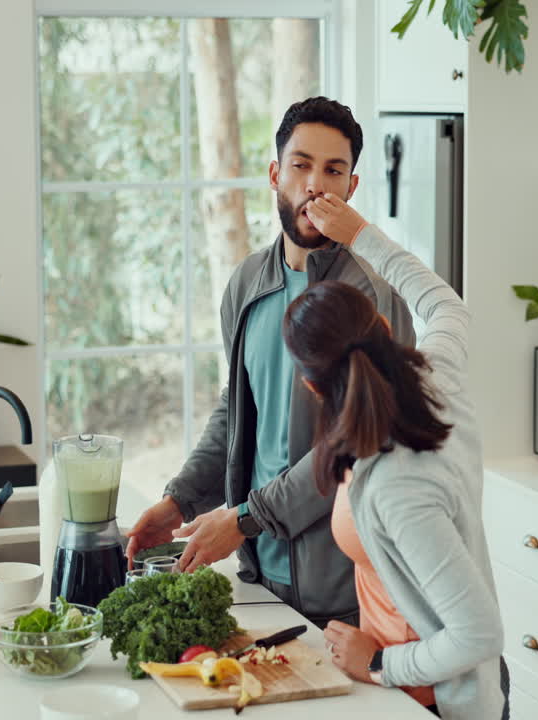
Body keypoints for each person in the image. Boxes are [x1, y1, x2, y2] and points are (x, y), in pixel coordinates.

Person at [124, 97, 415, 628]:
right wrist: (181, 500)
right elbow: (237, 409)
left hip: (349, 592)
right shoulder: (246, 285)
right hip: (260, 576)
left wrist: (243, 518)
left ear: (352, 189)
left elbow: (357, 441)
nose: (314, 185)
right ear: (276, 174)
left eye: (333, 170)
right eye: (301, 165)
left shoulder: (372, 296)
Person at [282, 198, 507, 720]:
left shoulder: (399, 483)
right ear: (384, 326)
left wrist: (380, 662)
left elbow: (479, 632)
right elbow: (445, 306)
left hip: (433, 705)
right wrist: (360, 234)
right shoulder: (436, 378)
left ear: (312, 386)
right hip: (392, 692)